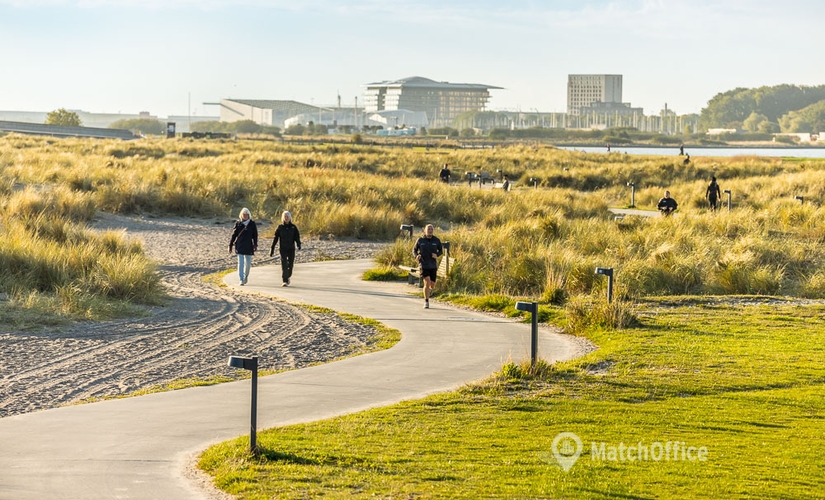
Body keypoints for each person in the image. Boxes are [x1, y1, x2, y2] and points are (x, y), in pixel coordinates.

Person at [413, 224, 443, 309]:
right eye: (428, 229)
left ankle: (430, 290)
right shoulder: (420, 240)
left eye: (431, 229)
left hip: (432, 265)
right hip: (423, 265)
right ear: (425, 231)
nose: (430, 231)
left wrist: (437, 254)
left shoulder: (436, 240)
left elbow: (441, 250)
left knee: (432, 284)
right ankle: (426, 302)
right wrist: (416, 256)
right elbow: (414, 250)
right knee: (427, 282)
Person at [270, 210, 301, 287]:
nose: (286, 218)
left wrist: (298, 244)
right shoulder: (280, 227)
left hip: (291, 248)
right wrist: (272, 248)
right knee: (284, 264)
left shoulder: (293, 227)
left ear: (290, 218)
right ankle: (285, 280)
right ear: (283, 218)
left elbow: (297, 237)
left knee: (290, 265)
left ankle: (288, 276)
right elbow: (275, 238)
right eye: (285, 217)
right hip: (283, 248)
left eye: (287, 217)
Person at [229, 208, 258, 285]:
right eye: (243, 214)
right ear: (241, 215)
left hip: (249, 246)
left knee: (248, 264)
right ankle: (241, 279)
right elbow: (234, 235)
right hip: (240, 246)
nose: (245, 216)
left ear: (249, 215)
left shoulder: (252, 224)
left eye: (246, 214)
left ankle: (246, 276)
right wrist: (230, 245)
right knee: (240, 263)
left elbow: (255, 235)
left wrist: (255, 244)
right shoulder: (238, 224)